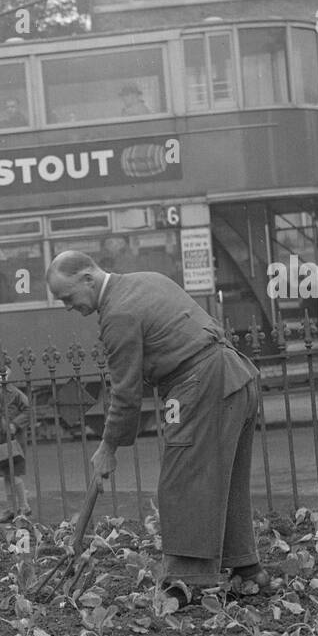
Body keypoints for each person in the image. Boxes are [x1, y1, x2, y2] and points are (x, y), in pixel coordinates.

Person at [46, 250, 268, 603]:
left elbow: (125, 393)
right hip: (236, 376)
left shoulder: (117, 313)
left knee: (181, 482)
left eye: (68, 297)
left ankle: (186, 582)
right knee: (224, 481)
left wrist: (107, 449)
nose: (69, 307)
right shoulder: (146, 279)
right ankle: (247, 570)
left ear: (88, 278)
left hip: (200, 383)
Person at [0, 357, 32, 523]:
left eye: (2, 373)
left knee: (15, 474)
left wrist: (15, 424)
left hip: (14, 440)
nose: (0, 377)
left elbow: (28, 410)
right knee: (6, 475)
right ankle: (12, 508)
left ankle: (24, 506)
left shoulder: (15, 393)